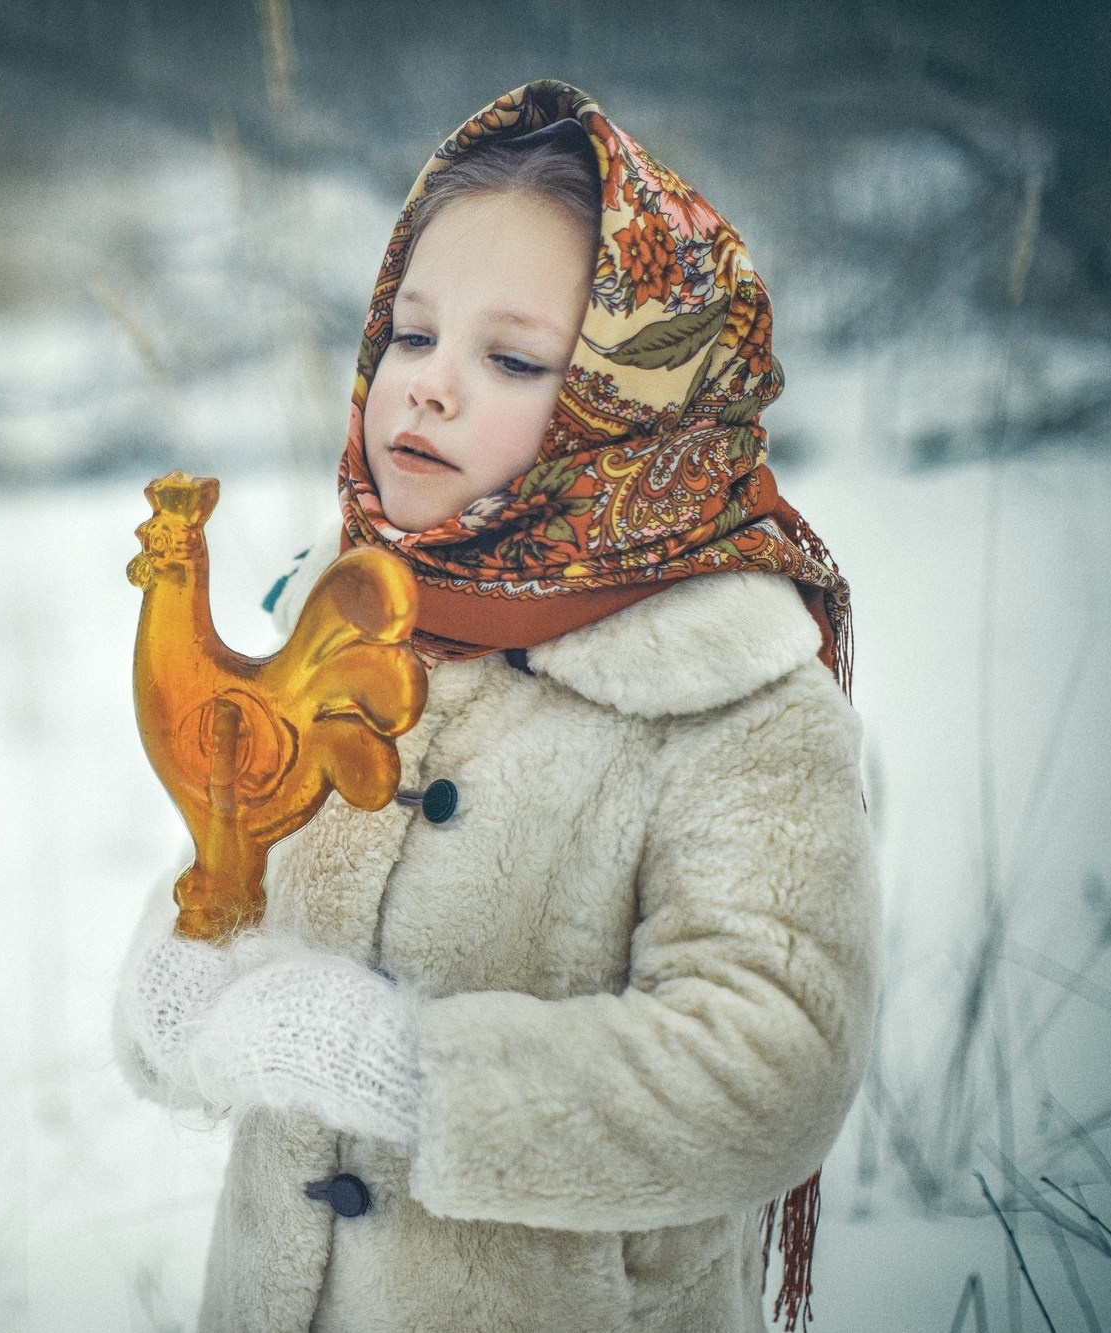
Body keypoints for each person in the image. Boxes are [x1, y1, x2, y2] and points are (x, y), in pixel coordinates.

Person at [110, 80, 876, 1333]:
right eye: (410, 336)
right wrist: (184, 964)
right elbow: (237, 843)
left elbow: (772, 1066)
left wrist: (408, 1074)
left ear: (634, 409)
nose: (427, 386)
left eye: (510, 359)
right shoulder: (351, 614)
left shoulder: (729, 693)